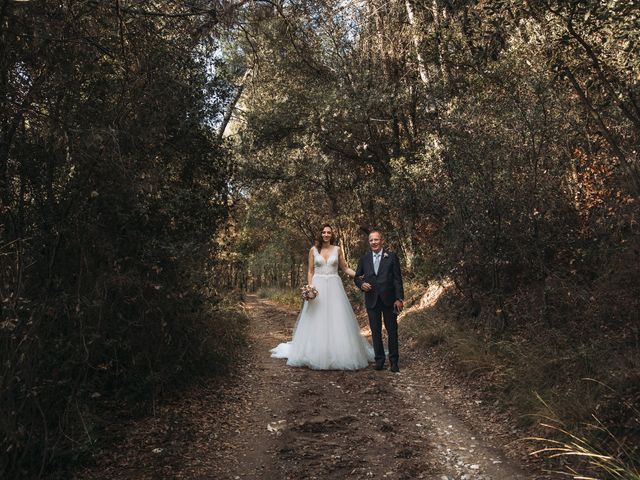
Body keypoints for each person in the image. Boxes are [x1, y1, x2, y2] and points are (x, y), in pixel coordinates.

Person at [270, 224, 374, 370]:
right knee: (315, 318)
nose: (326, 234)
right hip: (317, 287)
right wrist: (310, 287)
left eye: (329, 232)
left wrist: (359, 275)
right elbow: (310, 271)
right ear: (320, 234)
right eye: (324, 232)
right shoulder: (313, 250)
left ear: (332, 234)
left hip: (334, 286)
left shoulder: (337, 249)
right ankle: (314, 352)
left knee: (336, 318)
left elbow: (344, 268)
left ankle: (338, 352)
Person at [354, 230, 404, 372]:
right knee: (375, 332)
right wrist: (361, 285)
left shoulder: (392, 257)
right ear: (369, 242)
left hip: (389, 300)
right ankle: (379, 360)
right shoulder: (364, 259)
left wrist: (399, 298)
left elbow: (397, 279)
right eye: (371, 240)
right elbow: (357, 277)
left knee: (392, 331)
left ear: (382, 241)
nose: (374, 242)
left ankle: (394, 361)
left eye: (376, 240)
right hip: (372, 300)